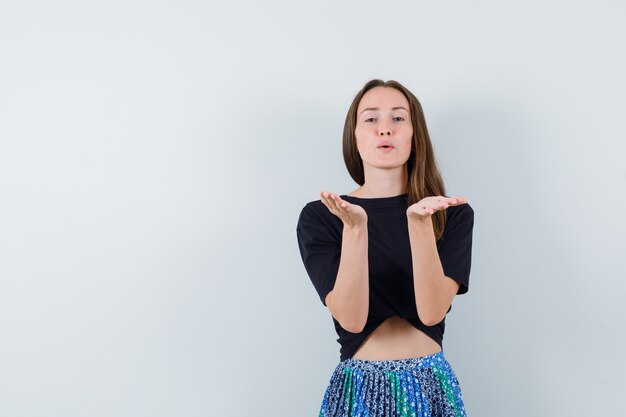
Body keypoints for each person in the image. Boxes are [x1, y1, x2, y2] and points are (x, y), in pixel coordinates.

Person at [295, 79, 474, 416]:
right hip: (358, 391)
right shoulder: (324, 216)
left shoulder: (449, 213)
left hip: (428, 385)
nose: (385, 130)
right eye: (371, 119)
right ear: (355, 137)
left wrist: (419, 225)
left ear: (414, 134)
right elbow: (350, 318)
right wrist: (355, 229)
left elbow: (432, 312)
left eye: (398, 118)